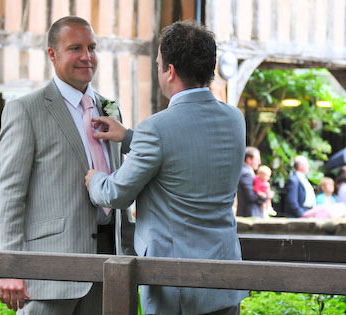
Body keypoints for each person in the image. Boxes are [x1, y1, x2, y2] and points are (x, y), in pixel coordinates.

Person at [85, 21, 247, 315]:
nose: (158, 70)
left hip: (176, 284)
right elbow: (189, 156)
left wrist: (95, 179)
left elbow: (117, 194)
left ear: (170, 71)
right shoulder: (235, 119)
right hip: (225, 279)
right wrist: (129, 137)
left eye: (159, 65)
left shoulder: (157, 128)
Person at [0, 16, 134, 314]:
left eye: (92, 47)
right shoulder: (25, 109)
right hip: (48, 272)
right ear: (52, 54)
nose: (87, 57)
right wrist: (7, 266)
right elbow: (8, 193)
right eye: (75, 48)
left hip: (110, 266)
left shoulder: (110, 107)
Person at [237, 147, 267, 217]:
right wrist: (265, 196)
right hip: (250, 213)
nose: (259, 162)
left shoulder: (246, 171)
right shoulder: (246, 173)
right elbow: (251, 196)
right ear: (249, 159)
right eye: (257, 160)